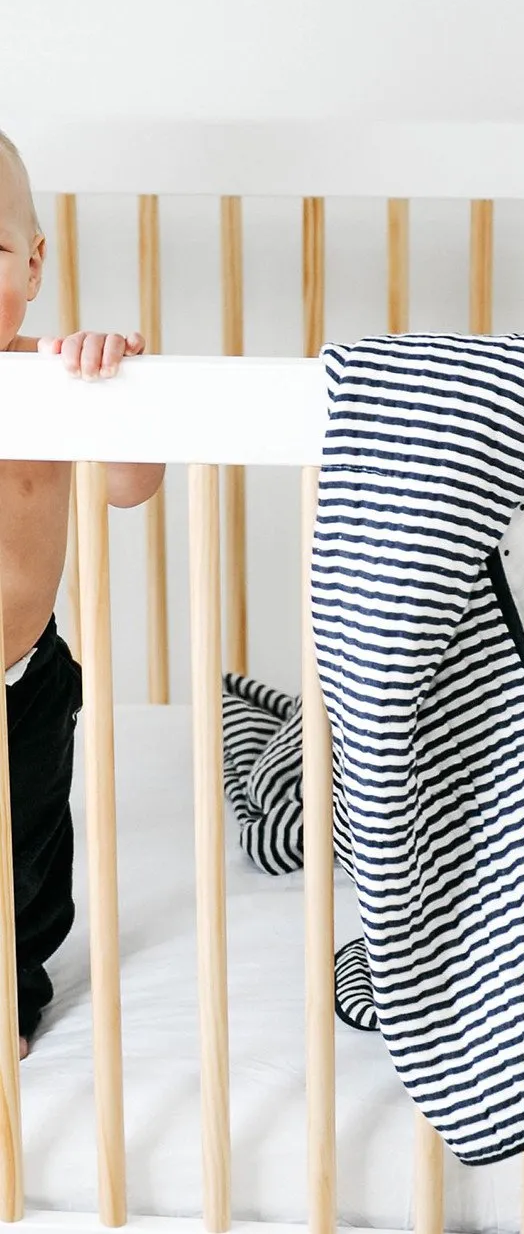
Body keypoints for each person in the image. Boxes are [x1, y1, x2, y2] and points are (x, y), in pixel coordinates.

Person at [0, 129, 164, 1057]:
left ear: (34, 259)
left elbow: (130, 485)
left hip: (24, 681)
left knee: (26, 865)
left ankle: (11, 988)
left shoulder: (53, 380)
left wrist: (118, 389)